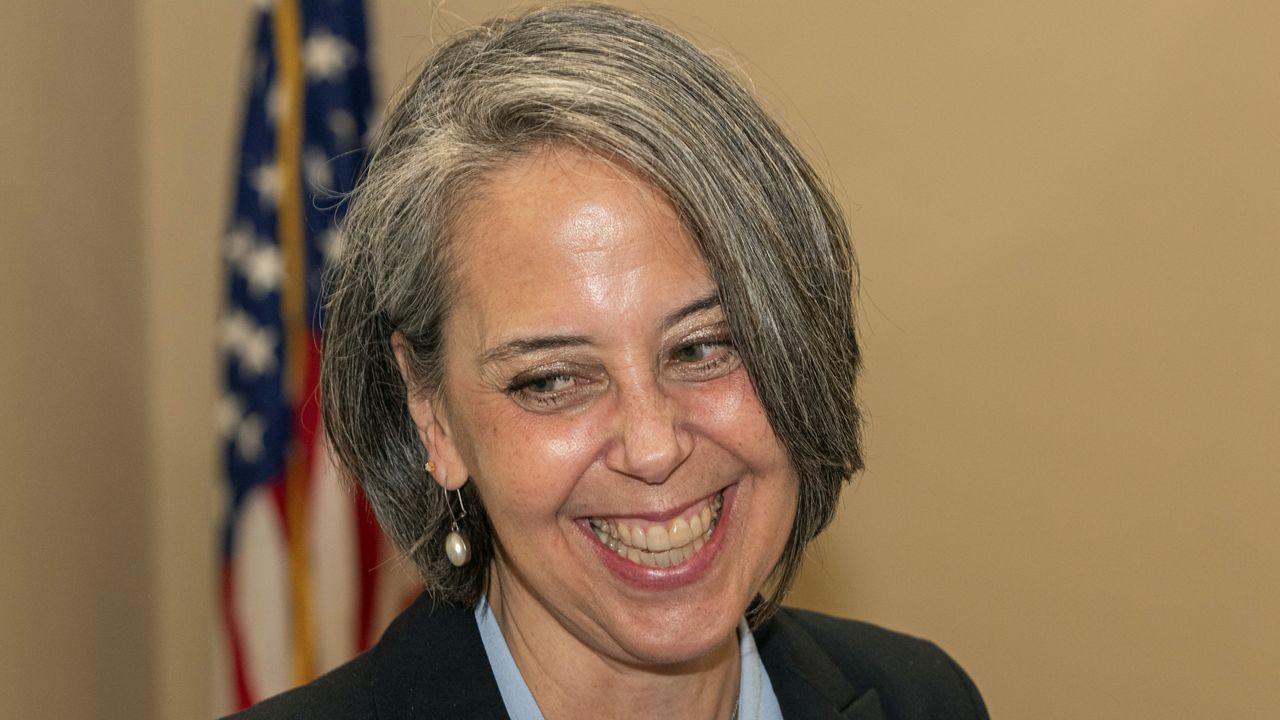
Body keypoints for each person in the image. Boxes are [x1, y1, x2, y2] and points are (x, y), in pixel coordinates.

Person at [230, 4, 988, 718]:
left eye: (703, 347)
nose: (654, 448)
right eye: (553, 380)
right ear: (433, 414)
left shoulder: (923, 700)